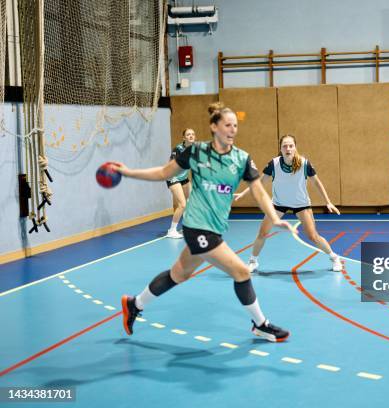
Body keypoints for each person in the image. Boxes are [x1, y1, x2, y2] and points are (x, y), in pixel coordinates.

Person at [112, 102, 293, 342]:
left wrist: (273, 217)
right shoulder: (196, 152)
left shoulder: (241, 159)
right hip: (197, 227)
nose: (233, 130)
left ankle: (135, 304)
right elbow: (164, 173)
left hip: (214, 228)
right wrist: (129, 172)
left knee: (179, 274)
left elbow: (258, 191)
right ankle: (261, 324)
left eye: (235, 125)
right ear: (214, 127)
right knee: (241, 272)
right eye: (228, 125)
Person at [234, 134, 343, 272]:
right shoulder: (273, 164)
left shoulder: (304, 163)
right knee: (262, 233)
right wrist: (243, 194)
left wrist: (328, 202)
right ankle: (252, 261)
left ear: (295, 147)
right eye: (285, 146)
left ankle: (335, 258)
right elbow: (259, 183)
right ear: (280, 148)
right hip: (279, 204)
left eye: (291, 145)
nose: (288, 148)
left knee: (313, 236)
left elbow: (316, 182)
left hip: (301, 204)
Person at [166, 128, 196, 238]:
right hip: (173, 177)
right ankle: (172, 230)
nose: (191, 136)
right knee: (182, 204)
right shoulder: (178, 149)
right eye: (188, 134)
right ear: (184, 138)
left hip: (184, 178)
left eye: (193, 134)